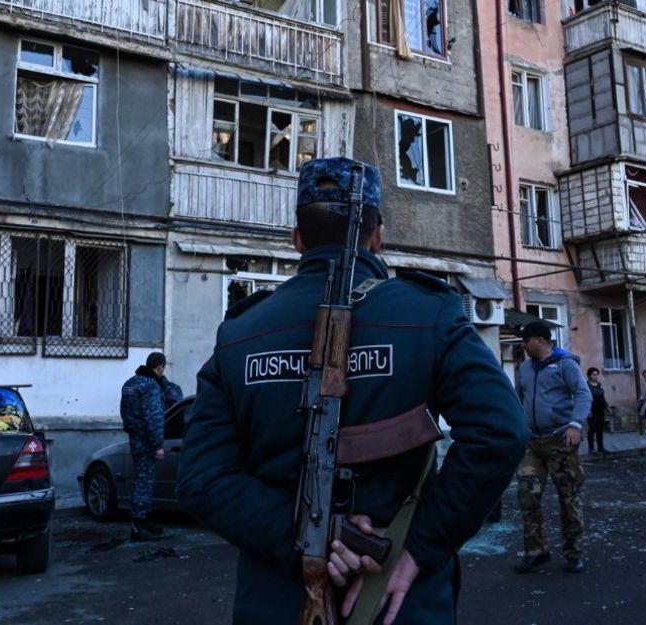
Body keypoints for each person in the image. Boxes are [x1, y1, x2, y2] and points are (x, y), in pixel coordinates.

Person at [177, 157, 528, 625]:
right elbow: (501, 432)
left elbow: (202, 479)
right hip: (396, 600)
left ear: (296, 239)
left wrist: (307, 540)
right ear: (377, 235)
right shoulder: (429, 314)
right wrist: (417, 548)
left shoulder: (240, 334)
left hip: (275, 601)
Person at [513, 320, 592, 575]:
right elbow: (518, 398)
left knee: (568, 497)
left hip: (561, 440)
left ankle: (573, 552)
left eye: (526, 340)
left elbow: (583, 394)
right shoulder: (525, 368)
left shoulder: (565, 364)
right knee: (528, 495)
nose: (523, 345)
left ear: (539, 340)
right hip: (532, 442)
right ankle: (536, 552)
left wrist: (575, 424)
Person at [120, 352, 183, 541]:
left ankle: (144, 520)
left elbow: (125, 413)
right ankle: (139, 524)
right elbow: (154, 418)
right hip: (147, 440)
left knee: (141, 478)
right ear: (160, 368)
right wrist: (158, 445)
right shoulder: (150, 386)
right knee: (144, 481)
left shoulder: (130, 384)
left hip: (135, 437)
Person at [586, 367, 608, 455]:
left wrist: (607, 407)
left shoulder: (599, 385)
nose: (596, 376)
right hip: (592, 410)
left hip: (600, 410)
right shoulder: (587, 386)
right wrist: (588, 410)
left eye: (597, 374)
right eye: (594, 375)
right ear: (589, 376)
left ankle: (600, 447)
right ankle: (591, 448)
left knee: (600, 430)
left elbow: (602, 397)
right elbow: (586, 399)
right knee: (591, 430)